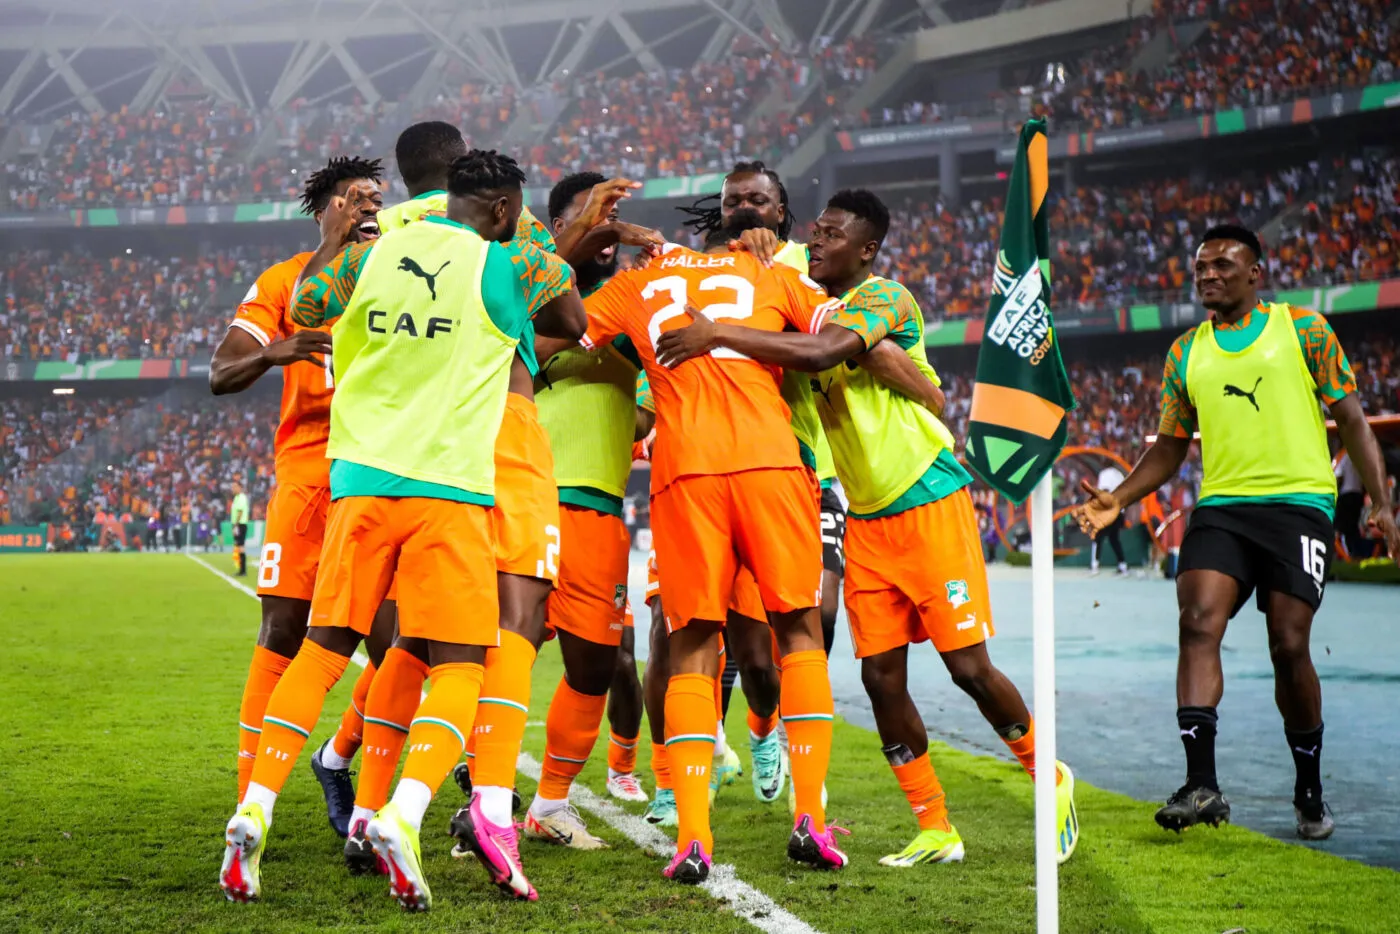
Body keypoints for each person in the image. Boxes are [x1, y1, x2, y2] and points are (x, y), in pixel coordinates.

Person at [656, 188, 1080, 869]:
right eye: (814, 232)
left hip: (927, 497)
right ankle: (936, 825)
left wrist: (721, 332)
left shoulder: (886, 297)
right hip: (866, 516)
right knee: (881, 678)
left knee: (968, 668)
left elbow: (825, 351)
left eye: (832, 234)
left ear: (867, 249)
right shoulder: (799, 305)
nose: (816, 242)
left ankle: (1047, 774)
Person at [218, 150, 586, 910]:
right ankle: (404, 811)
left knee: (321, 649)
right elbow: (572, 322)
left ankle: (254, 804)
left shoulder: (370, 255)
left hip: (357, 481)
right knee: (460, 660)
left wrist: (333, 241)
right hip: (448, 488)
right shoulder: (508, 262)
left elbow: (308, 309)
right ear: (503, 208)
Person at [1074, 224, 1400, 840]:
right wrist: (1119, 496)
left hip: (1299, 505)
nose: (1208, 274)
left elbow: (1353, 420)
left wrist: (1381, 502)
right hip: (1222, 507)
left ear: (1256, 273)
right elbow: (1169, 448)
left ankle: (1309, 788)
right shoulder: (1185, 353)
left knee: (1288, 645)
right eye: (1201, 266)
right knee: (1197, 622)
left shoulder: (1304, 330)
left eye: (1223, 264)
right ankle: (1201, 784)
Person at [580, 216, 850, 885]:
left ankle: (692, 837)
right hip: (771, 463)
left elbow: (557, 330)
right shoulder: (770, 270)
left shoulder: (637, 281)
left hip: (687, 473)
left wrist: (582, 239)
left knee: (693, 646)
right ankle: (811, 820)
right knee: (799, 632)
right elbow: (836, 340)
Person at [210, 155, 396, 838]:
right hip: (310, 473)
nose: (369, 206)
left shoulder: (403, 269)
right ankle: (249, 806)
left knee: (398, 643)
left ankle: (344, 766)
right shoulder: (285, 280)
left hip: (385, 470)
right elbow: (222, 372)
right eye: (354, 197)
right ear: (325, 209)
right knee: (284, 631)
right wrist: (273, 352)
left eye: (376, 197)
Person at [517, 171, 665, 832]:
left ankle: (549, 805)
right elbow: (520, 351)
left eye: (613, 218)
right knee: (500, 649)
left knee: (596, 664)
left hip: (599, 505)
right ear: (561, 228)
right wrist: (584, 335)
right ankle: (478, 797)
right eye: (592, 217)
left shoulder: (630, 303)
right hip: (527, 494)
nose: (607, 230)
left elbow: (645, 416)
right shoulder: (527, 292)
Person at [1090, 462, 1128, 575]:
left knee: (1097, 536)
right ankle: (1122, 565)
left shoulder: (1105, 473)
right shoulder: (1119, 474)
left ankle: (1094, 565)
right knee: (1114, 539)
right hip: (1119, 511)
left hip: (1108, 511)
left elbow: (1105, 491)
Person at [228, 482, 250, 575]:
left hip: (240, 525)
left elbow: (240, 512)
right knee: (238, 546)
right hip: (237, 524)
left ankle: (243, 570)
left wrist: (236, 525)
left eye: (235, 487)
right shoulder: (236, 498)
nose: (233, 489)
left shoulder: (241, 497)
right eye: (232, 487)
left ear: (240, 488)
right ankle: (241, 569)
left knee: (241, 546)